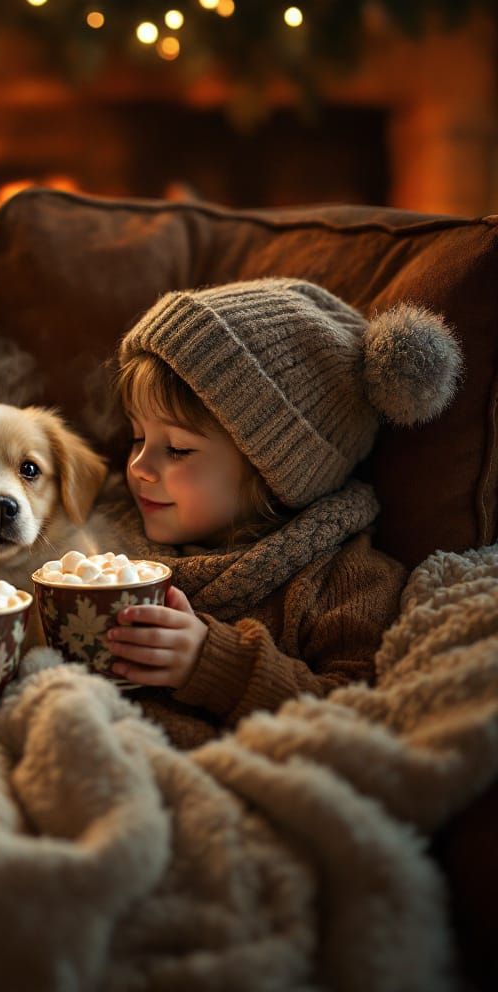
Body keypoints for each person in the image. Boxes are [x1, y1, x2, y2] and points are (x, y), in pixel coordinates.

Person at [100, 277, 462, 747]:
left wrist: (212, 664)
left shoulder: (341, 581)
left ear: (273, 470)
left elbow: (359, 712)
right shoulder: (101, 528)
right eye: (136, 438)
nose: (139, 467)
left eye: (178, 449)